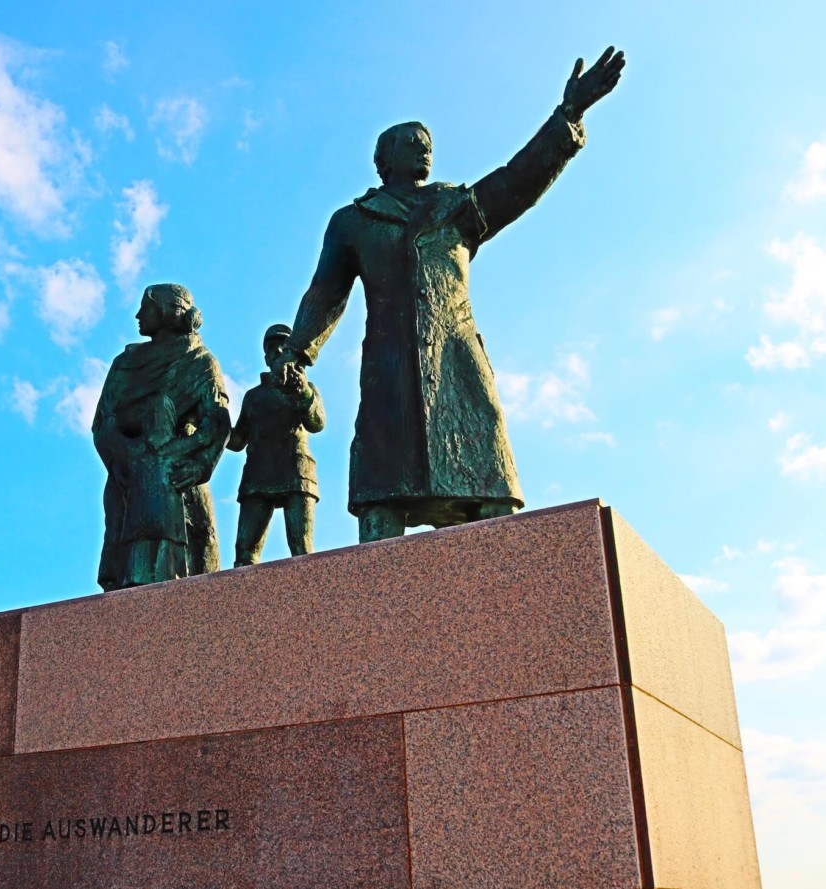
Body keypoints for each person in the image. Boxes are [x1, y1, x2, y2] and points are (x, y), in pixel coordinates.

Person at [276, 48, 625, 542]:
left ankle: (509, 574)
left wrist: (567, 117)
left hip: (455, 356)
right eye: (411, 143)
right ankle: (376, 591)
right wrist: (298, 350)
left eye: (428, 143)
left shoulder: (456, 206)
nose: (425, 149)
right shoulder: (353, 222)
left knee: (491, 483)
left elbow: (517, 180)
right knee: (383, 490)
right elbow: (326, 291)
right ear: (384, 159)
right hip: (390, 365)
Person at [92, 284, 230, 590]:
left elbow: (217, 420)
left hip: (182, 474)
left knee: (197, 570)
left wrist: (202, 464)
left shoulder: (201, 361)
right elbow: (102, 422)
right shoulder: (124, 363)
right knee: (125, 575)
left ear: (168, 312)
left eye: (147, 307)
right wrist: (125, 458)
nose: (139, 315)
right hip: (127, 475)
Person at [227, 324, 326, 566]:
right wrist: (210, 423)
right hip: (258, 475)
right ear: (266, 357)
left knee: (302, 550)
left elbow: (317, 423)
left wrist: (302, 392)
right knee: (245, 554)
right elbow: (238, 440)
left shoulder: (306, 388)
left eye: (285, 346)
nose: (279, 351)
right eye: (273, 348)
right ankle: (240, 602)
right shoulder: (254, 396)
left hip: (297, 473)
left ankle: (309, 599)